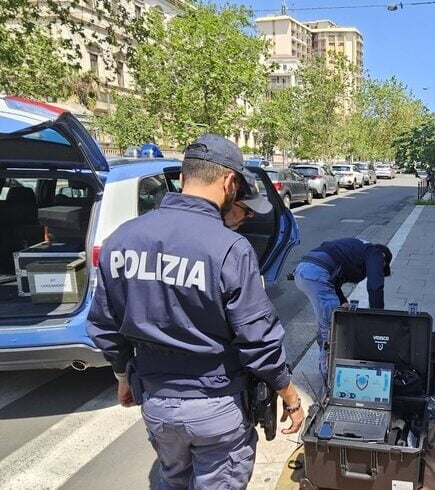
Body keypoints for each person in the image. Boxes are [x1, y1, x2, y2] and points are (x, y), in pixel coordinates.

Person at [87, 134, 304, 490]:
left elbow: (105, 324)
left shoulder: (123, 238)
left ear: (185, 176)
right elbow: (258, 340)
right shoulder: (230, 248)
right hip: (216, 407)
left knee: (171, 479)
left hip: (156, 402)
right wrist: (290, 397)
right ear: (230, 181)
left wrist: (124, 376)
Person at [294, 238, 392, 379]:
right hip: (317, 274)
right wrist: (377, 317)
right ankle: (330, 379)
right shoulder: (376, 253)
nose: (380, 270)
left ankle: (326, 366)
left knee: (326, 323)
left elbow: (335, 277)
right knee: (333, 329)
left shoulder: (357, 249)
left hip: (305, 270)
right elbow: (375, 286)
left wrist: (342, 301)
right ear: (384, 258)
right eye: (382, 267)